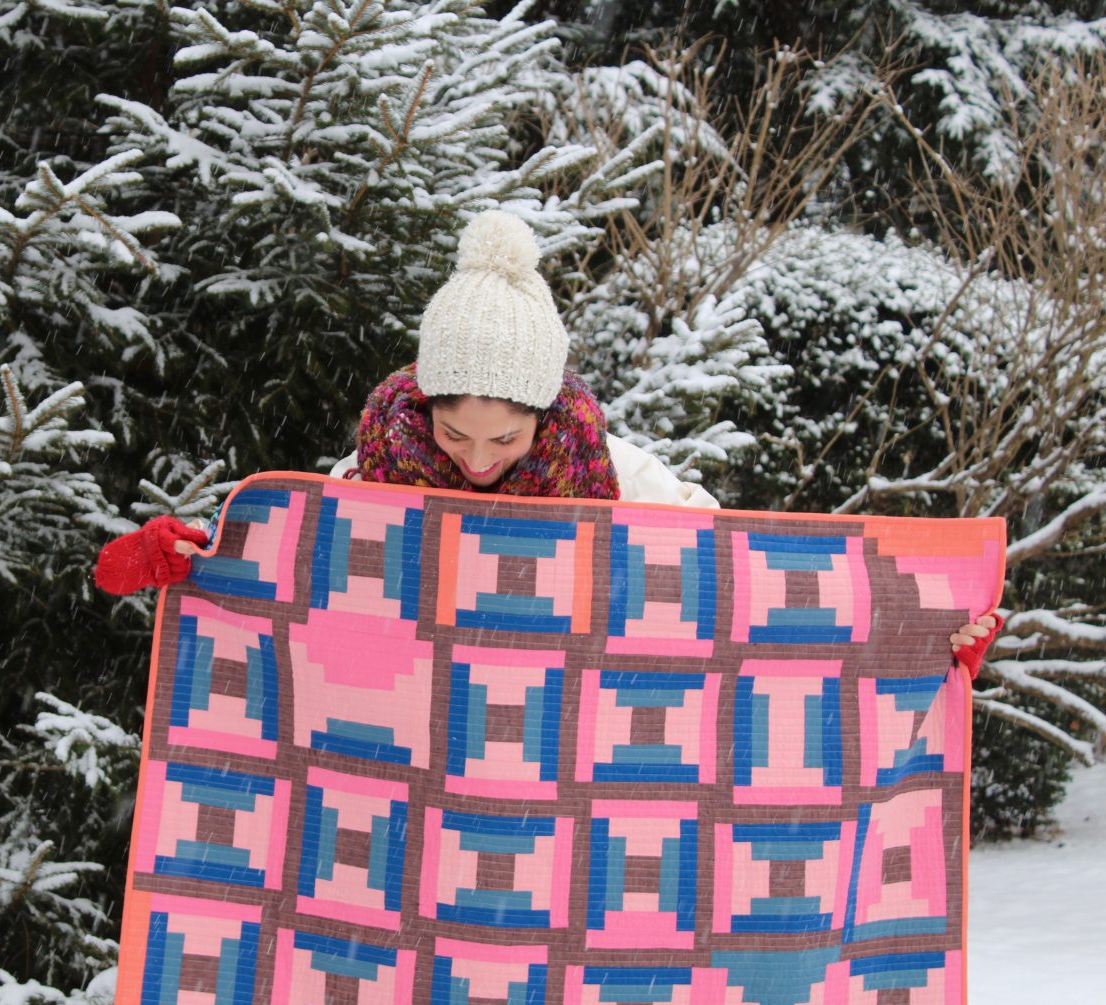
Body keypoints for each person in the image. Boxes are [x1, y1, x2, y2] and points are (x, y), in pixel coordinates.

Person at [93, 211, 999, 671]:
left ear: (545, 412)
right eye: (455, 434)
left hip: (563, 774)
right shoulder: (371, 474)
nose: (479, 461)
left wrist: (916, 640)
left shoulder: (609, 473)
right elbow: (288, 593)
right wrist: (198, 565)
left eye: (506, 439)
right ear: (420, 405)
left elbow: (744, 582)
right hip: (424, 771)